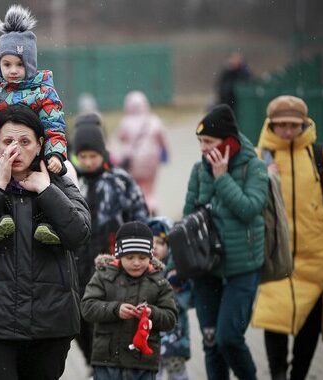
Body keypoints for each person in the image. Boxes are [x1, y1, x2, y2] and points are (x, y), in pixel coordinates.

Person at [0, 104, 91, 380]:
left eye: (25, 141)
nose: (15, 149)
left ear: (40, 145)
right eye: (7, 141)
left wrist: (46, 189)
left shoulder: (60, 184)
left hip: (50, 323)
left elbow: (79, 233)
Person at [252, 95, 323, 380]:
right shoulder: (261, 157)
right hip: (275, 256)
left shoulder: (318, 155)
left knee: (309, 321)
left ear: (303, 124)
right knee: (275, 318)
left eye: (293, 125)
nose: (287, 130)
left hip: (316, 252)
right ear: (271, 124)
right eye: (281, 124)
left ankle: (299, 374)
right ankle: (278, 373)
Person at [0, 4, 67, 244]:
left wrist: (56, 154)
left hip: (33, 153)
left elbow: (54, 126)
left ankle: (47, 223)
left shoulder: (43, 92)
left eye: (20, 65)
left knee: (47, 179)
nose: (13, 71)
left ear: (30, 64)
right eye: (7, 65)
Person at [183, 104, 267, 380]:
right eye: (200, 142)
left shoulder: (253, 167)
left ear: (229, 142)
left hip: (242, 269)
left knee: (229, 338)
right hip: (206, 269)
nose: (203, 149)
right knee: (211, 344)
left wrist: (222, 179)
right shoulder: (198, 171)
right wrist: (174, 266)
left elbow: (249, 208)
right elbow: (187, 224)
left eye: (209, 142)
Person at [72, 112, 150, 366]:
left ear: (103, 153)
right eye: (82, 157)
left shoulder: (119, 181)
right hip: (77, 268)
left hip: (111, 268)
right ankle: (94, 365)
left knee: (107, 325)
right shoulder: (71, 183)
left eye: (92, 156)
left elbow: (139, 217)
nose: (87, 162)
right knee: (80, 326)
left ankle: (107, 366)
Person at [81, 221, 177, 380]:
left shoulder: (159, 282)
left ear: (151, 256)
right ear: (119, 255)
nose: (137, 262)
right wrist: (115, 309)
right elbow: (87, 307)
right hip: (107, 361)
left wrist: (151, 313)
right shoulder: (104, 276)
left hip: (143, 364)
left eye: (142, 257)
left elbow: (170, 318)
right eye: (130, 257)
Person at [147, 217, 192, 380]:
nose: (154, 247)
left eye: (160, 242)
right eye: (150, 242)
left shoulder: (177, 273)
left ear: (170, 245)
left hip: (175, 339)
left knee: (178, 375)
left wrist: (177, 288)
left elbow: (186, 301)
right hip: (150, 341)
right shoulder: (143, 272)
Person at [112, 90, 169, 215]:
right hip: (152, 160)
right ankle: (152, 205)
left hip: (133, 162)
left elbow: (120, 138)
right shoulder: (154, 120)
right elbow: (163, 140)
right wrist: (165, 155)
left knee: (136, 187)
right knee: (150, 188)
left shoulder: (126, 122)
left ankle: (141, 209)